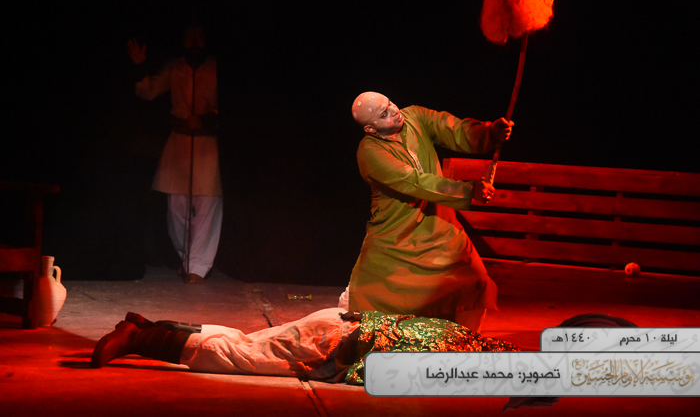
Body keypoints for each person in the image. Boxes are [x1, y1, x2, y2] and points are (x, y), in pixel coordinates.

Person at [342, 92, 514, 332]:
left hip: (438, 221)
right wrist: (467, 190)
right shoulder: (370, 152)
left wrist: (488, 133)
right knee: (374, 292)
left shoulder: (415, 116)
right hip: (398, 231)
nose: (394, 111)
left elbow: (453, 129)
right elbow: (414, 182)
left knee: (474, 279)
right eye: (384, 114)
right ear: (370, 129)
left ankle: (465, 341)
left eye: (390, 103)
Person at [90, 308, 521, 384]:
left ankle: (149, 326)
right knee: (235, 356)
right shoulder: (452, 360)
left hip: (335, 323)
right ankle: (139, 339)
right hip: (330, 344)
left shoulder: (464, 336)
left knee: (244, 342)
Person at [127, 25, 222, 284]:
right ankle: (186, 259)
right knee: (176, 209)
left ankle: (198, 268)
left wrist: (206, 119)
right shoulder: (175, 67)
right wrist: (140, 66)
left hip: (207, 146)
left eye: (199, 36)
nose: (194, 42)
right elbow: (148, 91)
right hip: (179, 146)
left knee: (206, 206)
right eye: (190, 36)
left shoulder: (215, 68)